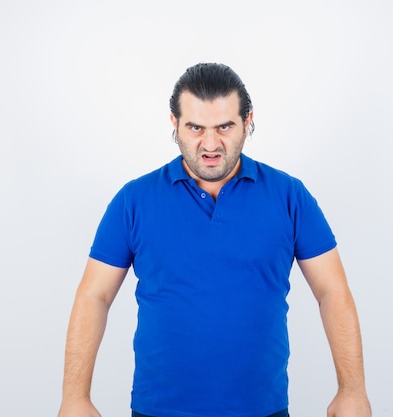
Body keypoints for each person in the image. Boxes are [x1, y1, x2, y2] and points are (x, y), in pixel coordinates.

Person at [58, 63, 371, 417]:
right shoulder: (134, 200)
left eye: (224, 126)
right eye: (195, 127)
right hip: (158, 410)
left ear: (247, 121)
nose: (210, 144)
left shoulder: (289, 196)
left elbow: (333, 291)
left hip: (263, 411)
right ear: (175, 124)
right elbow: (94, 296)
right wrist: (75, 398)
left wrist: (352, 390)